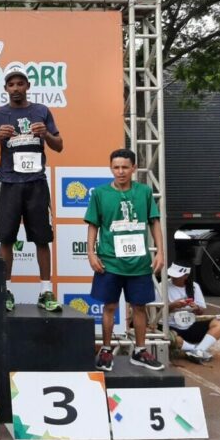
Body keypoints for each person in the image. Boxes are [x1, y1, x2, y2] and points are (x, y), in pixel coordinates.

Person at [0, 64, 64, 313]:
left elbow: (59, 145)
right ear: (5, 88)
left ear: (28, 86)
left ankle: (45, 291)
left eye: (20, 83)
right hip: (8, 183)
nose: (16, 88)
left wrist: (46, 133)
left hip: (36, 183)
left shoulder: (41, 111)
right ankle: (4, 290)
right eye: (11, 84)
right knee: (6, 239)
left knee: (42, 239)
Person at [85, 149, 165, 372]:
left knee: (140, 307)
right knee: (109, 306)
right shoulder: (100, 193)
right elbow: (93, 224)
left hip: (139, 262)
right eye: (116, 167)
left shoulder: (145, 192)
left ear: (133, 169)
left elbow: (154, 222)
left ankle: (140, 351)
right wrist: (91, 253)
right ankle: (107, 350)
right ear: (111, 168)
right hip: (110, 261)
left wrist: (160, 251)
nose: (120, 171)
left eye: (125, 167)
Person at [163, 262, 220, 364]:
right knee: (170, 337)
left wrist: (196, 308)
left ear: (186, 276)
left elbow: (201, 311)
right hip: (173, 327)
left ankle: (199, 350)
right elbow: (157, 311)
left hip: (190, 325)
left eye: (177, 276)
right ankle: (196, 350)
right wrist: (173, 305)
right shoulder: (162, 286)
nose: (173, 277)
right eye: (172, 275)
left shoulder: (194, 287)